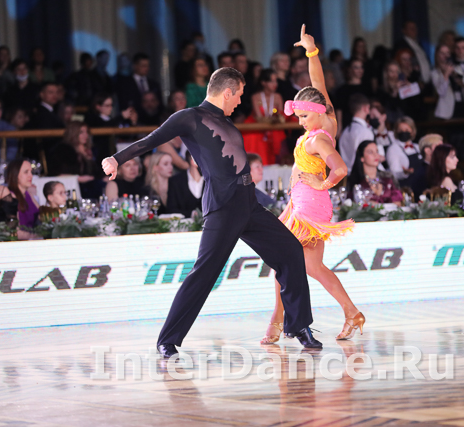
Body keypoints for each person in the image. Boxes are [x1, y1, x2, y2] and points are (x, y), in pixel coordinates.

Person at [102, 65, 322, 357]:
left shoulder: (226, 121)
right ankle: (168, 339)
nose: (240, 101)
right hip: (222, 205)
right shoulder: (190, 117)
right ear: (227, 92)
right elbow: (151, 140)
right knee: (204, 273)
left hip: (248, 203)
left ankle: (299, 325)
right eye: (239, 95)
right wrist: (116, 159)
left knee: (291, 251)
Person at [261, 25, 362, 345]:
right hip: (301, 204)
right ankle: (348, 313)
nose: (300, 121)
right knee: (304, 266)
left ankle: (279, 321)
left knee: (292, 264)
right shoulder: (324, 122)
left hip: (309, 206)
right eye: (299, 116)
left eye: (304, 116)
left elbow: (341, 168)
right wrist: (311, 52)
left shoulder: (319, 138)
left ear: (317, 113)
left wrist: (323, 184)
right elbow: (318, 84)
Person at [242, 68, 286, 165]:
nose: (275, 84)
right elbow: (259, 118)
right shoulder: (255, 97)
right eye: (271, 81)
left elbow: (281, 115)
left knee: (278, 135)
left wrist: (277, 118)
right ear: (263, 82)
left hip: (274, 128)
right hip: (258, 127)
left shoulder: (278, 97)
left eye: (276, 81)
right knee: (254, 137)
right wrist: (272, 120)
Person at [48, 122, 102, 199]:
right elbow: (58, 173)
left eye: (86, 132)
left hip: (91, 184)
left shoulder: (90, 150)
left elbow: (97, 171)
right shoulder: (63, 150)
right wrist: (78, 178)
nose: (86, 135)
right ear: (73, 134)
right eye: (81, 132)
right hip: (71, 185)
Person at [338, 93, 386, 173]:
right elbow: (373, 158)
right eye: (369, 108)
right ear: (365, 108)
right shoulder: (365, 132)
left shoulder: (345, 131)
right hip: (364, 174)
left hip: (348, 174)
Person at [84, 92, 137, 163]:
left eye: (111, 105)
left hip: (113, 154)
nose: (110, 108)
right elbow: (105, 127)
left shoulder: (112, 120)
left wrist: (133, 123)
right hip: (99, 156)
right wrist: (121, 116)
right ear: (98, 106)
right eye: (107, 105)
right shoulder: (93, 120)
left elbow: (125, 136)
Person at [348, 140, 402, 205]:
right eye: (370, 152)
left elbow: (399, 202)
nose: (375, 155)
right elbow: (350, 204)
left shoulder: (388, 176)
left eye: (377, 151)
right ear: (362, 158)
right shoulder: (355, 180)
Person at [386, 116, 426, 198]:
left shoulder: (417, 147)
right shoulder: (393, 149)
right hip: (406, 190)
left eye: (407, 130)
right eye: (401, 130)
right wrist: (404, 173)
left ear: (412, 131)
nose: (404, 132)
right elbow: (394, 174)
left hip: (421, 187)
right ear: (396, 131)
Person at [432, 44, 464, 119]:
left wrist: (462, 83)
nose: (445, 56)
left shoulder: (457, 68)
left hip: (462, 107)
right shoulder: (435, 73)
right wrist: (446, 74)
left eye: (447, 53)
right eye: (442, 53)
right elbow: (441, 92)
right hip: (447, 112)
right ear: (437, 55)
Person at [6, 158, 39, 239]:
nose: (31, 176)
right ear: (15, 174)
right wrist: (37, 236)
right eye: (26, 172)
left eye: (31, 172)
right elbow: (14, 231)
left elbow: (42, 214)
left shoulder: (28, 194)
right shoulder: (10, 198)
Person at [166, 151, 203, 217]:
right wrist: (191, 214)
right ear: (193, 161)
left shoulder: (212, 181)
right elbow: (171, 209)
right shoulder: (176, 181)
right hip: (184, 222)